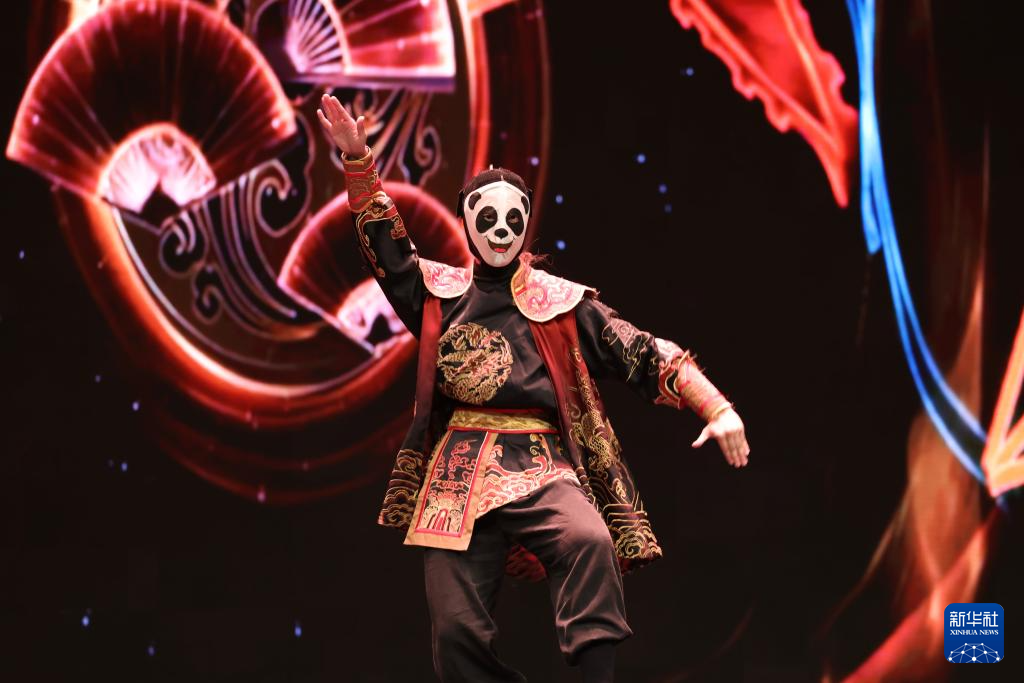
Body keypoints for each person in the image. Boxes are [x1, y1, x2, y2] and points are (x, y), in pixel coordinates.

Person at [316, 94, 750, 683]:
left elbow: (644, 352)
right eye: (487, 219)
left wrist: (715, 406)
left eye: (511, 220)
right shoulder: (439, 293)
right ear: (467, 223)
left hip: (541, 462)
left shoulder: (561, 302)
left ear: (525, 224)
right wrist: (358, 161)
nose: (500, 231)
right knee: (455, 631)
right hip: (457, 470)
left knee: (589, 541)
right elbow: (389, 253)